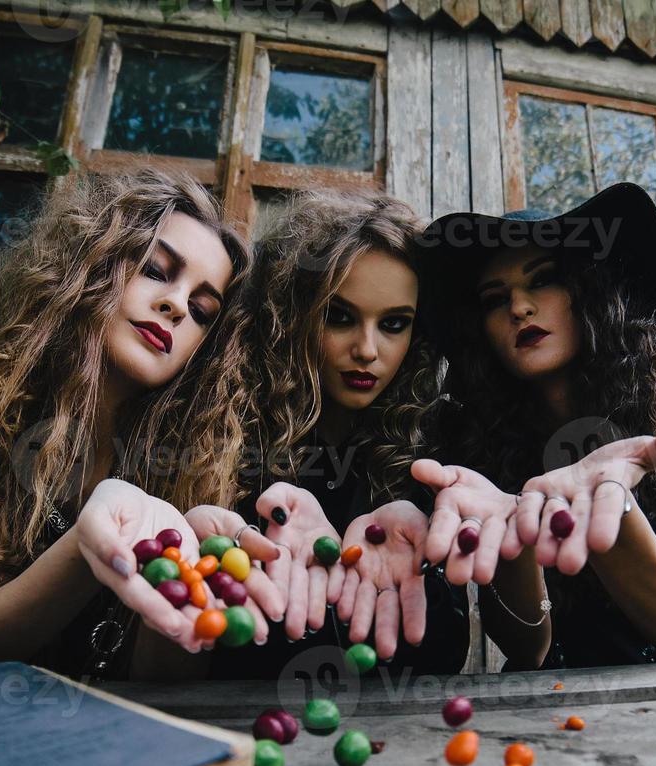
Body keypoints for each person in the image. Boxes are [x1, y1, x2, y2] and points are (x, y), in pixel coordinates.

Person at [0, 167, 282, 683]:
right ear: (90, 265)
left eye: (202, 310)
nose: (176, 306)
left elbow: (162, 684)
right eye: (155, 270)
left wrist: (184, 574)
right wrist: (91, 549)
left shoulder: (197, 445)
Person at [185, 191, 550, 680]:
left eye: (394, 324)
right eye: (339, 317)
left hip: (421, 741)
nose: (367, 350)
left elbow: (530, 648)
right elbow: (168, 664)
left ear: (418, 334)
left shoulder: (446, 448)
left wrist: (515, 538)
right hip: (249, 741)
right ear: (291, 317)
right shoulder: (220, 437)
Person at [416, 183, 656, 668]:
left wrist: (605, 502)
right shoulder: (467, 441)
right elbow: (528, 645)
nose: (519, 307)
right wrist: (514, 539)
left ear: (590, 290)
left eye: (543, 279)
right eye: (493, 298)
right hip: (538, 707)